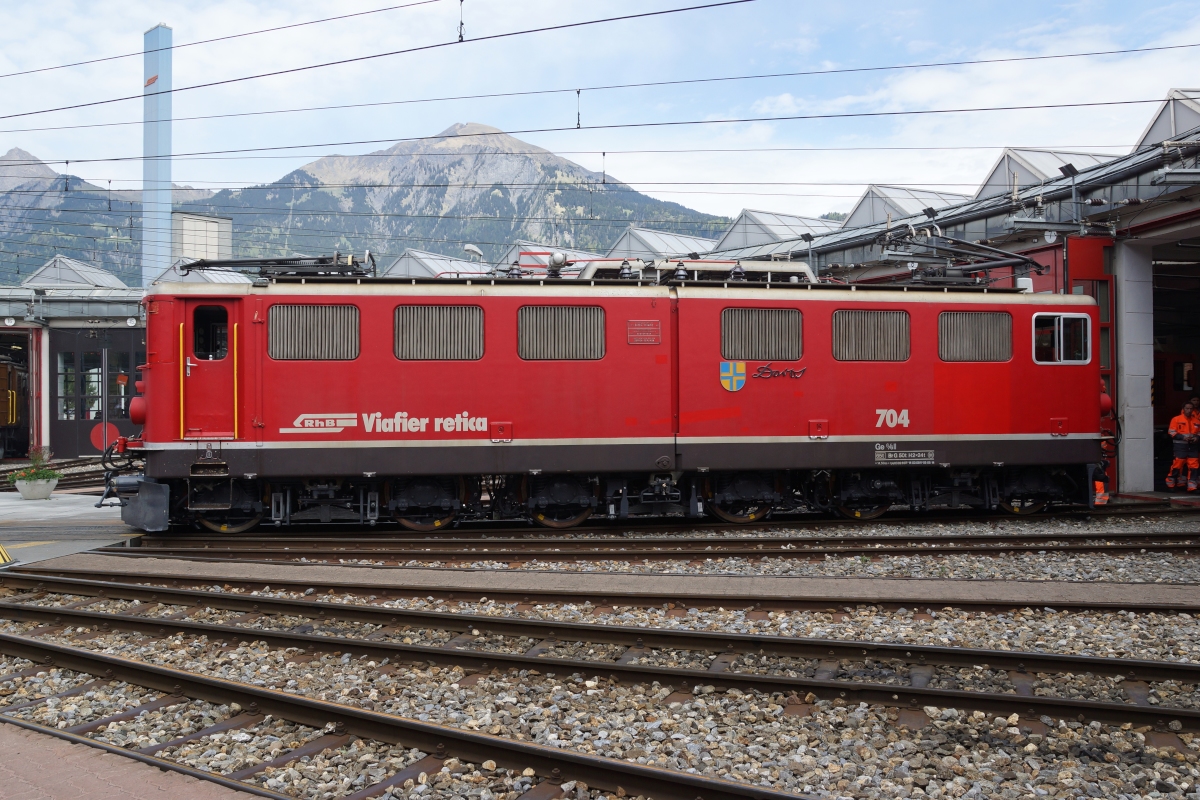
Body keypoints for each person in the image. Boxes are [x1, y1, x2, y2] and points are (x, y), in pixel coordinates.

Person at [1166, 402, 1200, 491]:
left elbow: (1199, 433)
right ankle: (1171, 482)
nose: (1189, 411)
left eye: (1190, 409)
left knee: (1194, 466)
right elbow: (1171, 432)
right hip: (1180, 446)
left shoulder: (1196, 421)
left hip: (1193, 446)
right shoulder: (1176, 419)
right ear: (1183, 409)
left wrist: (1196, 438)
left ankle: (1192, 485)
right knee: (1178, 464)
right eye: (1187, 408)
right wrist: (1183, 437)